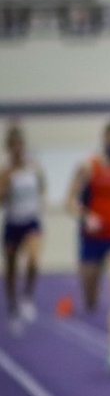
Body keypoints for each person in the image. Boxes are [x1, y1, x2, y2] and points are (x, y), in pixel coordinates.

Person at [65, 121, 110, 372]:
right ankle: (90, 299)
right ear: (105, 141)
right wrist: (87, 217)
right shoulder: (88, 168)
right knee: (91, 299)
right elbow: (69, 202)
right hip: (91, 240)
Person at [0, 122, 45, 334]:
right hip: (13, 223)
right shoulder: (5, 172)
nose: (18, 149)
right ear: (8, 148)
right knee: (11, 267)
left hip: (31, 221)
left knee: (34, 259)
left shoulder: (34, 168)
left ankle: (27, 296)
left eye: (20, 145)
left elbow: (42, 187)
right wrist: (6, 187)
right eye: (13, 146)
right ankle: (13, 306)